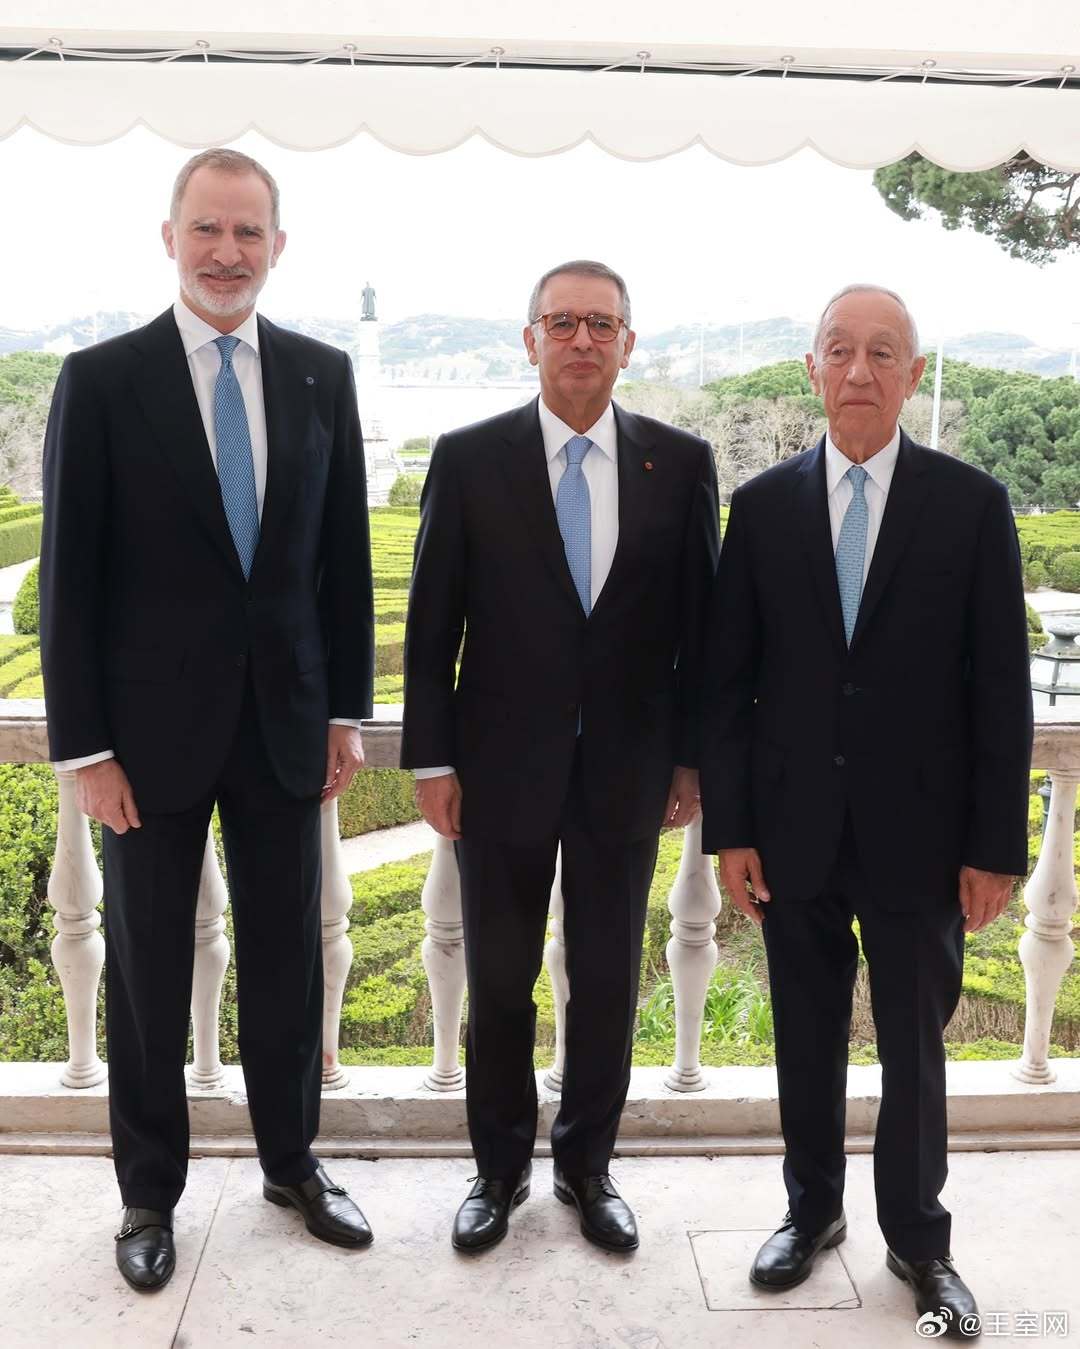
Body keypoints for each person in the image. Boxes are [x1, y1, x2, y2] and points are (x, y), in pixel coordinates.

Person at [39, 148, 376, 1292]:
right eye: (208, 229)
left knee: (288, 955)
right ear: (170, 237)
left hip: (285, 727)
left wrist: (343, 713)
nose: (228, 252)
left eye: (248, 232)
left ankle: (293, 1163)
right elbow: (71, 576)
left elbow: (340, 563)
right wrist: (87, 749)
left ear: (278, 245)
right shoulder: (102, 378)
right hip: (142, 742)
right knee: (142, 971)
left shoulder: (323, 374)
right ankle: (148, 1192)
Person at [701, 284, 1032, 1333]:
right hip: (791, 829)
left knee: (914, 1050)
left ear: (913, 375)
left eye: (883, 352)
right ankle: (811, 1212)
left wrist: (995, 845)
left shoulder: (971, 505)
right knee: (804, 1035)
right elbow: (728, 685)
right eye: (839, 350)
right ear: (811, 369)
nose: (859, 370)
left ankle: (921, 1241)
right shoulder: (761, 508)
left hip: (922, 837)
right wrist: (731, 829)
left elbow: (1002, 691)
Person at [401, 260, 720, 1254]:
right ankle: (497, 1169)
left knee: (608, 977)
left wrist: (691, 760)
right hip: (497, 770)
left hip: (628, 771)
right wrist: (432, 761)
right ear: (530, 338)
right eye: (564, 321)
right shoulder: (469, 457)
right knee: (499, 978)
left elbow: (701, 633)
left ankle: (589, 1166)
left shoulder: (682, 462)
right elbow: (430, 626)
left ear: (629, 342)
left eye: (602, 323)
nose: (583, 339)